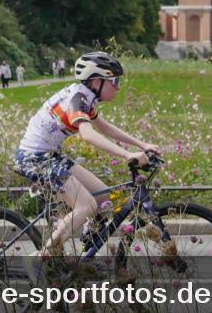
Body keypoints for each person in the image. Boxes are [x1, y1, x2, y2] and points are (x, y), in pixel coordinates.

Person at [12, 51, 161, 256]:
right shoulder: (78, 98)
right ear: (97, 81)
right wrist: (127, 155)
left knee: (103, 196)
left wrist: (142, 144)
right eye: (114, 81)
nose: (118, 86)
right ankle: (43, 257)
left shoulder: (86, 97)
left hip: (49, 156)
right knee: (86, 205)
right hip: (34, 159)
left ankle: (82, 241)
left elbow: (105, 128)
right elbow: (88, 135)